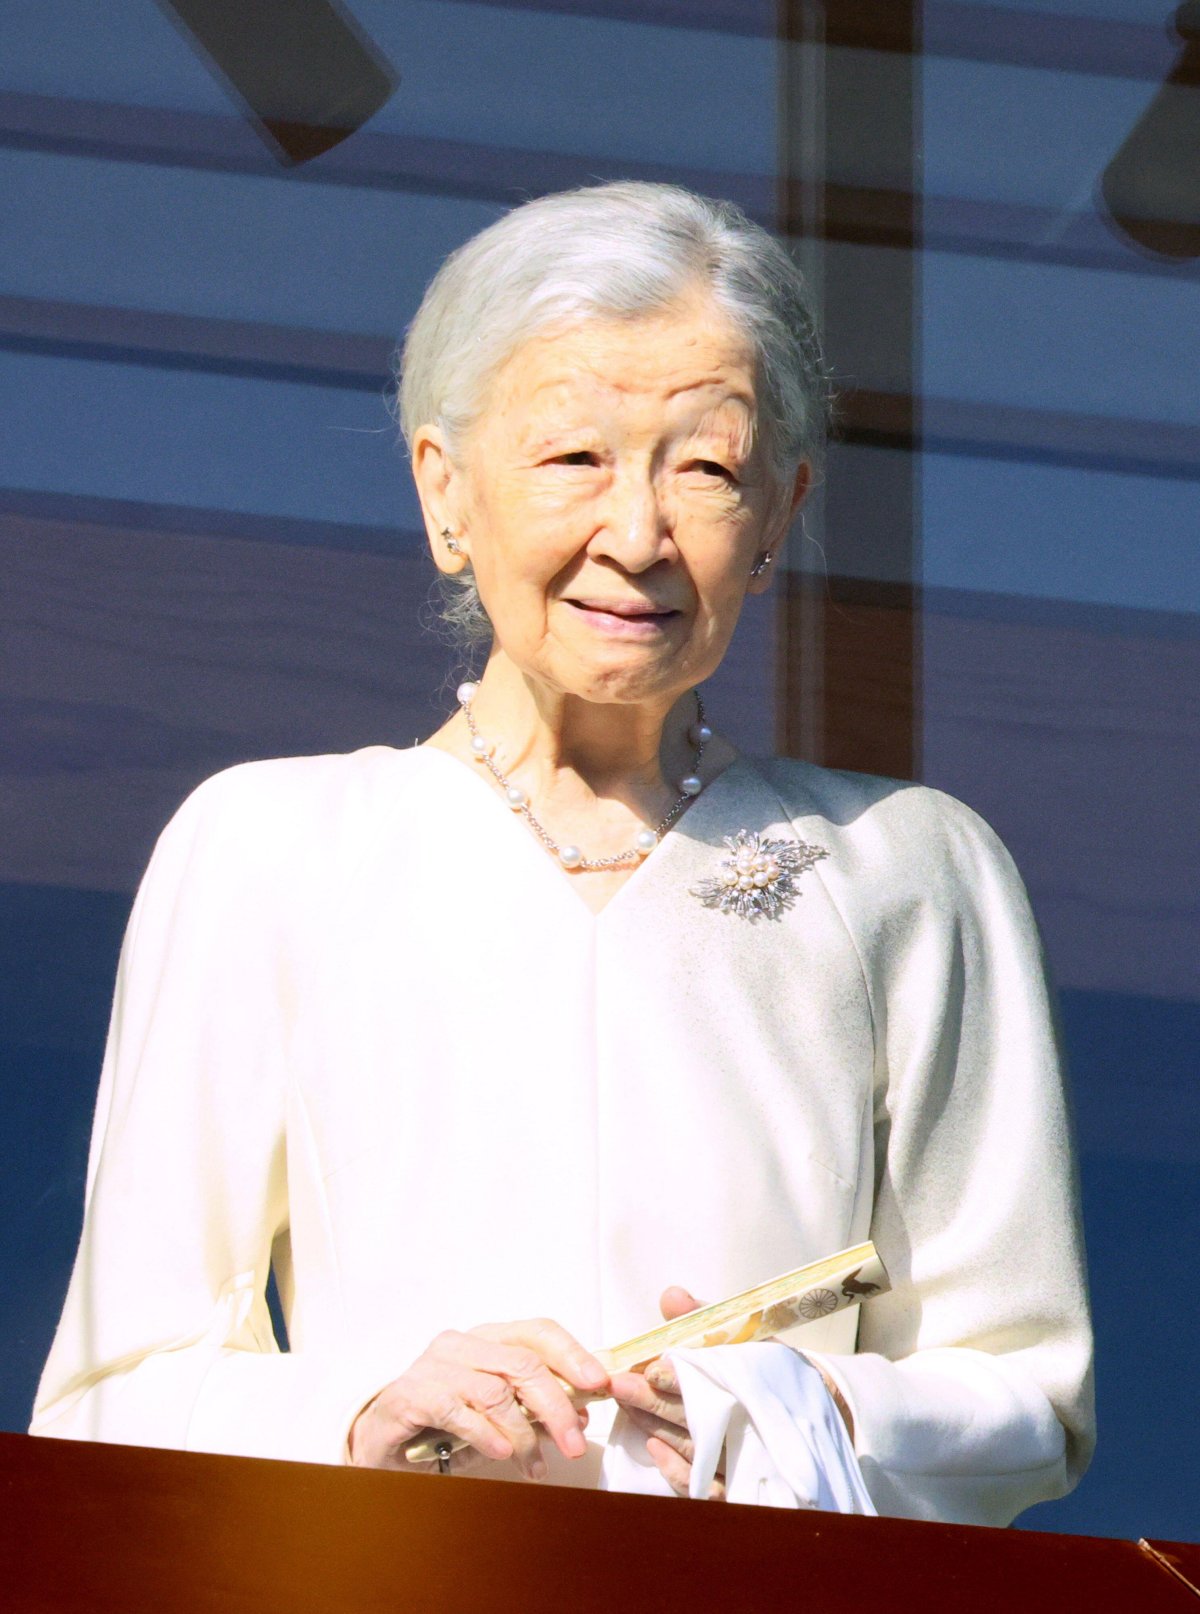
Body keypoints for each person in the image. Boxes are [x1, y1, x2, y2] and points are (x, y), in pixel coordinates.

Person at [30, 182, 1093, 1524]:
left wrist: (796, 1405)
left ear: (778, 516)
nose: (637, 535)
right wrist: (362, 1408)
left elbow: (1028, 1394)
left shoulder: (909, 872)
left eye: (705, 468)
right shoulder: (268, 851)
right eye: (572, 458)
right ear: (445, 491)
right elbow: (111, 1400)